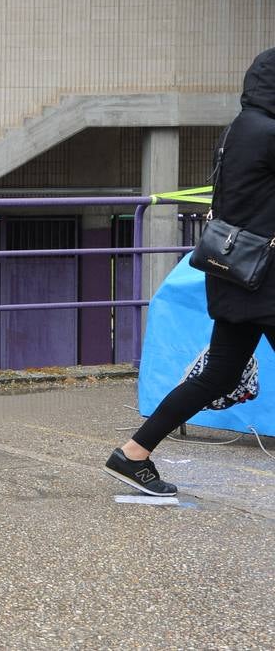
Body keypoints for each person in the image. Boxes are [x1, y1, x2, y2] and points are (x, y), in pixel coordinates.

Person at [105, 47, 275, 497]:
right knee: (217, 374)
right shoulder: (267, 132)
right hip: (262, 280)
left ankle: (134, 453)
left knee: (218, 375)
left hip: (238, 274)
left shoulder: (240, 128)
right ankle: (133, 454)